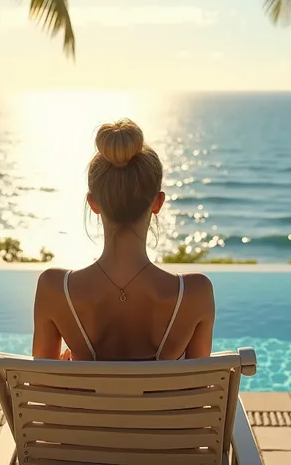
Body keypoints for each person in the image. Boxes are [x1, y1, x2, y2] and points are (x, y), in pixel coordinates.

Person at [32, 118, 216, 361]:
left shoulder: (54, 289)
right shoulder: (195, 294)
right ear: (157, 203)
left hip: (83, 402)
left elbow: (44, 384)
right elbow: (197, 389)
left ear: (94, 203)